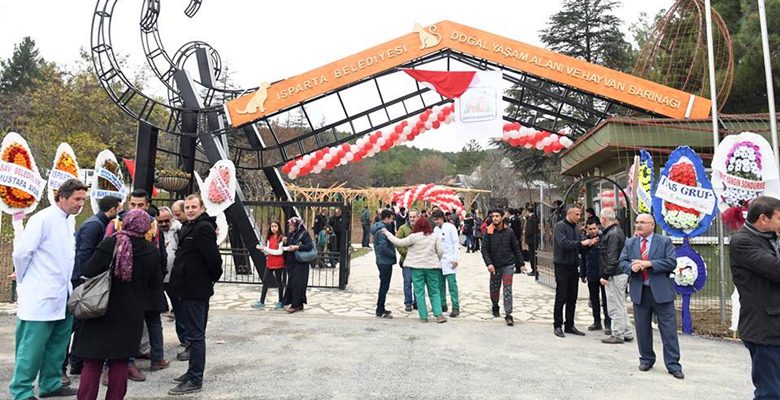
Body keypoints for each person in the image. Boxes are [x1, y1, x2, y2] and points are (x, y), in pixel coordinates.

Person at [9, 179, 86, 400]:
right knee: (31, 348)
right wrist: (23, 278)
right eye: (77, 199)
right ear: (62, 197)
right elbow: (21, 253)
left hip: (62, 294)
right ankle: (21, 391)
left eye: (82, 199)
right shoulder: (42, 219)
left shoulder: (69, 221)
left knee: (58, 346)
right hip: (40, 294)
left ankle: (50, 384)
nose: (80, 204)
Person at [73, 209, 163, 400]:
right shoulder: (151, 251)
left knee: (93, 362)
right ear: (146, 227)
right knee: (120, 362)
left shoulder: (110, 243)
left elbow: (88, 270)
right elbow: (155, 283)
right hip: (130, 313)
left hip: (100, 309)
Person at [106, 189, 169, 379]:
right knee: (126, 323)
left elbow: (160, 255)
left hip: (147, 282)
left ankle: (156, 357)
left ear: (147, 205)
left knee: (152, 319)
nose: (136, 208)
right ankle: (122, 364)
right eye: (133, 204)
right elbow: (104, 251)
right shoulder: (115, 224)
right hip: (121, 282)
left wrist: (156, 278)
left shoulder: (154, 226)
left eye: (140, 205)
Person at [168, 194, 224, 395]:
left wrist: (208, 279)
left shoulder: (203, 228)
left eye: (194, 207)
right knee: (192, 335)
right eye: (188, 207)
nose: (190, 210)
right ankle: (191, 372)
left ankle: (195, 379)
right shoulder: (190, 226)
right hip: (187, 287)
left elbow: (213, 259)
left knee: (196, 335)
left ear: (201, 208)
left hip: (195, 289)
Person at [63, 195, 121, 382]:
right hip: (83, 281)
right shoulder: (94, 225)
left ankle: (77, 362)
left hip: (86, 279)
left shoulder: (98, 223)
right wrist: (84, 279)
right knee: (71, 325)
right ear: (112, 209)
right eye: (119, 209)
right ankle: (61, 367)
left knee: (82, 324)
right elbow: (84, 252)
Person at [619, 213, 683, 379]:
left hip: (662, 293)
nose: (638, 225)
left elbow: (671, 262)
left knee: (668, 330)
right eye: (637, 222)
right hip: (640, 292)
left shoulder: (664, 241)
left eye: (643, 222)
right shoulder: (630, 242)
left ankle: (673, 364)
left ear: (652, 225)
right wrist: (631, 268)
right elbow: (622, 262)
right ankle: (646, 359)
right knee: (642, 329)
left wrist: (650, 264)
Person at [729, 196, 780, 397]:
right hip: (764, 328)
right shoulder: (743, 241)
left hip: (775, 326)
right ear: (763, 219)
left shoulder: (769, 238)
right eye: (779, 218)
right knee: (770, 392)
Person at [382, 217, 446, 322]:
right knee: (434, 291)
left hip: (417, 268)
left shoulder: (413, 237)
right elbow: (441, 251)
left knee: (419, 292)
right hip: (432, 268)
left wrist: (387, 233)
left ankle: (423, 317)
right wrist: (436, 259)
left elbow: (398, 242)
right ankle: (439, 315)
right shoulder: (434, 237)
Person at [552, 204, 596, 338]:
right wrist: (581, 243)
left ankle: (569, 324)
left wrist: (589, 244)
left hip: (573, 266)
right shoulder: (560, 226)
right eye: (576, 214)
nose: (579, 217)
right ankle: (557, 325)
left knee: (572, 297)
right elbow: (563, 244)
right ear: (569, 214)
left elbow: (579, 248)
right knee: (561, 296)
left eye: (579, 214)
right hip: (562, 265)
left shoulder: (576, 229)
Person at [481, 209, 525, 326]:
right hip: (494, 266)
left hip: (508, 265)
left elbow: (516, 248)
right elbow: (484, 250)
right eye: (493, 216)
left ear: (502, 217)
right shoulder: (488, 231)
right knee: (494, 289)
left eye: (497, 216)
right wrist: (489, 263)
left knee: (507, 289)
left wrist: (521, 264)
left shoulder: (509, 231)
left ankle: (508, 314)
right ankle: (495, 305)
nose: (494, 218)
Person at [598, 208, 630, 344]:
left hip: (614, 274)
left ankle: (617, 334)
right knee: (620, 303)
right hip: (619, 273)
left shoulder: (612, 234)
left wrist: (605, 275)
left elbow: (612, 258)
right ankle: (626, 331)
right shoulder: (617, 231)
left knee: (614, 304)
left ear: (603, 219)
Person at [158, 206, 186, 347]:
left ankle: (184, 338)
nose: (163, 224)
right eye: (160, 221)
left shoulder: (179, 229)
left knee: (179, 308)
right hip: (157, 277)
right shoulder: (153, 231)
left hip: (174, 277)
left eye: (166, 221)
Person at [579, 220, 610, 334]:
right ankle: (597, 322)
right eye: (590, 229)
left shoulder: (604, 238)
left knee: (606, 300)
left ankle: (608, 323)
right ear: (586, 229)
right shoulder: (585, 240)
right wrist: (583, 274)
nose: (592, 231)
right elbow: (583, 258)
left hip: (602, 274)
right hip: (591, 273)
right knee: (594, 299)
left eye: (594, 228)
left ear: (598, 228)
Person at [281, 216, 314, 314]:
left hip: (301, 264)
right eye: (290, 225)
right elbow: (288, 247)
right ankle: (296, 303)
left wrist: (297, 247)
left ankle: (296, 304)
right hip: (291, 263)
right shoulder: (291, 234)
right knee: (291, 283)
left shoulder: (304, 234)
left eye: (292, 225)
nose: (290, 227)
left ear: (297, 225)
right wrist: (285, 242)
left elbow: (309, 246)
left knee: (298, 284)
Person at [433, 210, 460, 318]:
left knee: (452, 285)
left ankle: (455, 306)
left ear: (442, 218)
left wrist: (455, 259)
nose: (436, 222)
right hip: (439, 261)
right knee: (440, 285)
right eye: (434, 220)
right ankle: (442, 304)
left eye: (437, 219)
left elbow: (456, 243)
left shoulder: (451, 227)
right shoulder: (435, 230)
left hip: (450, 260)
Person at [253, 220, 286, 309]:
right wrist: (262, 249)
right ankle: (262, 301)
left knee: (279, 281)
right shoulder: (269, 237)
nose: (273, 228)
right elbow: (268, 250)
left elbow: (279, 252)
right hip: (270, 262)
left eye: (275, 226)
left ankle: (281, 301)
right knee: (265, 281)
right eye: (272, 226)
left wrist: (266, 249)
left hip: (278, 262)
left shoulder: (281, 238)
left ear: (278, 227)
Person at [370, 209, 396, 319]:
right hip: (385, 261)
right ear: (386, 218)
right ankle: (380, 309)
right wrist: (393, 254)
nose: (392, 221)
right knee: (384, 286)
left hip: (382, 260)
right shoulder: (382, 231)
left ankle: (381, 307)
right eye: (391, 219)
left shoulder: (380, 228)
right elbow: (383, 247)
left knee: (384, 285)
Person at [395, 210, 419, 312]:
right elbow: (397, 242)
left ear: (418, 217)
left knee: (418, 283)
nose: (412, 219)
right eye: (410, 217)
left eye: (414, 217)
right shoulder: (403, 228)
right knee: (407, 282)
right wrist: (405, 253)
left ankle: (417, 302)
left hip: (419, 261)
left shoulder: (421, 228)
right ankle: (408, 302)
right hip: (406, 260)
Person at [524, 204, 540, 280]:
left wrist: (526, 236)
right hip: (535, 238)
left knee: (532, 255)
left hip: (531, 239)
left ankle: (534, 270)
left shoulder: (531, 219)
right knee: (534, 254)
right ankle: (535, 269)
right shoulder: (535, 218)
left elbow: (529, 230)